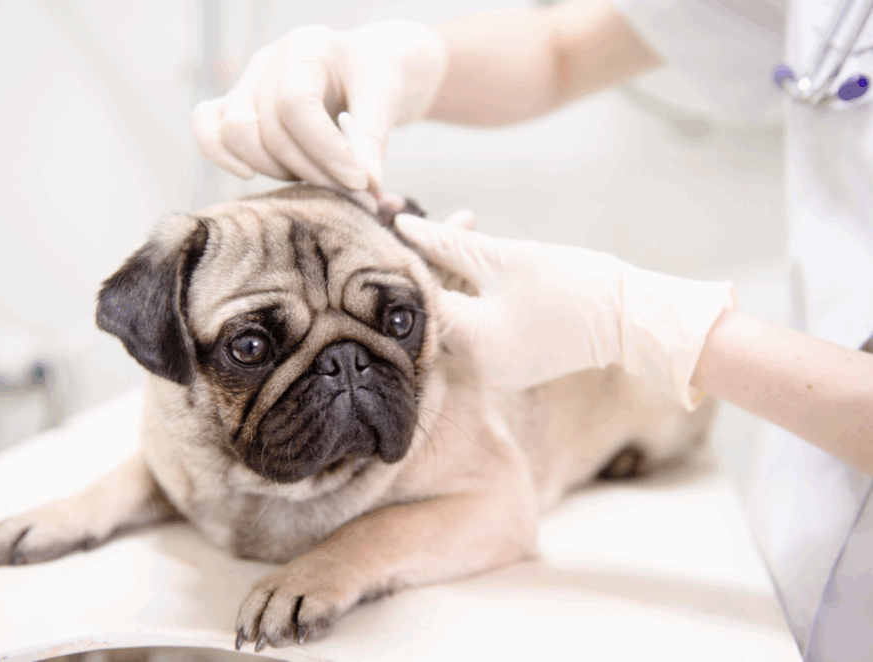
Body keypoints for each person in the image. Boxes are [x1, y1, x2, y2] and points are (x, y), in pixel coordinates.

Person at [192, 2, 873, 658]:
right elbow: (567, 49)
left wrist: (652, 325)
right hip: (799, 539)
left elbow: (493, 507)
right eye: (253, 346)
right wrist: (398, 60)